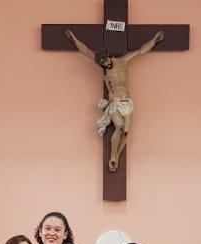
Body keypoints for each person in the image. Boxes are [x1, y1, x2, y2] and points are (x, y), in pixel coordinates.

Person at [65, 29, 165, 172]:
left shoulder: (122, 61)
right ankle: (112, 156)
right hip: (115, 102)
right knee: (119, 127)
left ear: (107, 56)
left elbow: (140, 51)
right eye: (102, 63)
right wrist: (74, 39)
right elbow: (86, 51)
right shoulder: (104, 69)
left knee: (126, 132)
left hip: (126, 102)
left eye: (104, 60)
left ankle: (116, 157)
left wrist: (154, 40)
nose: (104, 63)